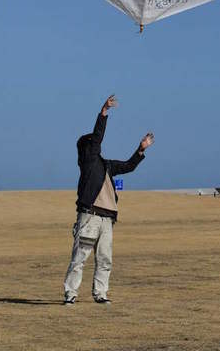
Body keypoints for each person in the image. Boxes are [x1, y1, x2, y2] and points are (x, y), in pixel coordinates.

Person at [63, 94, 154, 304]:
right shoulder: (87, 163)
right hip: (89, 217)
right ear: (86, 148)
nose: (96, 144)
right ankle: (70, 294)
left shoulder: (105, 166)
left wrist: (141, 149)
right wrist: (104, 112)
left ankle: (100, 294)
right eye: (92, 143)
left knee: (105, 259)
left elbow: (128, 166)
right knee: (79, 258)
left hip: (107, 219)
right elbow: (97, 138)